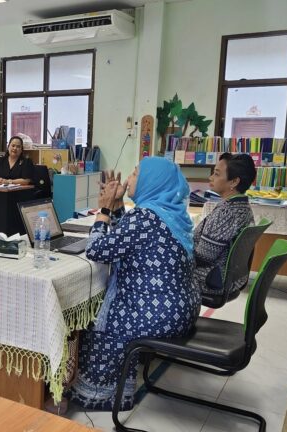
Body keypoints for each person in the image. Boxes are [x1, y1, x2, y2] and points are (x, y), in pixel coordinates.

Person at [70, 158, 200, 411]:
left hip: (158, 314)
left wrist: (104, 210)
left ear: (152, 181)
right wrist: (119, 205)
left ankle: (98, 393)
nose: (128, 178)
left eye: (135, 173)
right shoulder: (168, 213)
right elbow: (128, 237)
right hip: (183, 309)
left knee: (96, 319)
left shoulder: (145, 217)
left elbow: (97, 250)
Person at [193, 153, 255, 298]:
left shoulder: (227, 213)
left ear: (234, 182)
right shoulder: (242, 206)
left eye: (216, 174)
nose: (211, 178)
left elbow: (203, 257)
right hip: (226, 277)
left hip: (210, 279)